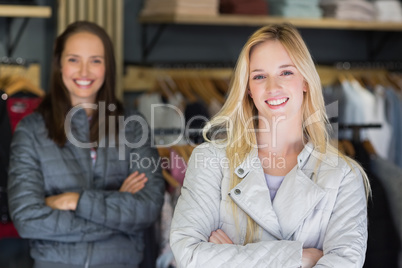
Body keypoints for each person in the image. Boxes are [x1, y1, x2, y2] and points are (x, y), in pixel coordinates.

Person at [170, 23, 370, 267]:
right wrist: (299, 257)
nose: (273, 87)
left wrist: (234, 256)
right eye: (259, 76)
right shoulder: (210, 160)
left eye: (286, 72)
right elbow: (189, 255)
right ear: (249, 90)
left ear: (305, 81)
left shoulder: (343, 177)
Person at [7, 21, 165, 268]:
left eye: (95, 60)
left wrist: (74, 201)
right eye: (73, 59)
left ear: (107, 67)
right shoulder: (31, 131)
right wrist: (117, 210)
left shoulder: (133, 127)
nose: (84, 71)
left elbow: (148, 209)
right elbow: (27, 220)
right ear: (59, 63)